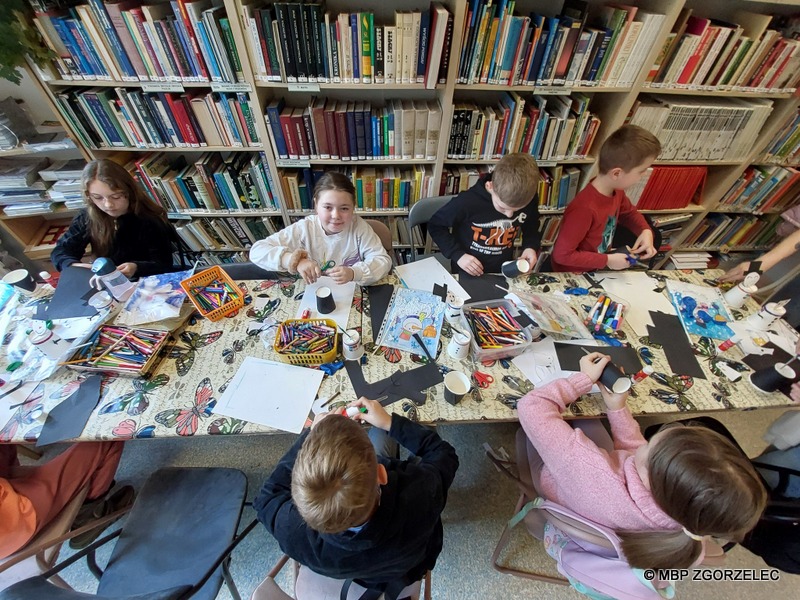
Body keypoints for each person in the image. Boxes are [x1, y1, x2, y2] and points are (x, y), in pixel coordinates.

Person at [517, 352, 767, 569]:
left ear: (649, 471)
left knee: (565, 420)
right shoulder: (684, 517)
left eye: (651, 442)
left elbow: (531, 406)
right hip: (604, 505)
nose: (645, 442)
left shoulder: (589, 466)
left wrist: (582, 380)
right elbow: (635, 457)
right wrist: (617, 409)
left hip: (562, 488)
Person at [254, 397, 459, 597]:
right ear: (381, 474)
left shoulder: (293, 532)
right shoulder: (420, 496)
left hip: (344, 569)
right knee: (383, 435)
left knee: (380, 441)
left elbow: (266, 497)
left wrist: (311, 435)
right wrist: (390, 422)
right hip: (401, 567)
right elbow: (443, 454)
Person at [249, 172, 392, 285]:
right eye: (328, 207)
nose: (335, 216)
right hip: (315, 292)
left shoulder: (359, 228)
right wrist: (295, 261)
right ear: (316, 205)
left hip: (350, 292)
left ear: (353, 207)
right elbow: (257, 251)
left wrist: (354, 273)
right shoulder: (304, 228)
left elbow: (383, 261)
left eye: (344, 208)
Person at [551, 125, 659, 272]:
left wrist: (645, 231)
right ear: (616, 174)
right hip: (572, 274)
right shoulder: (584, 209)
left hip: (596, 267)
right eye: (641, 171)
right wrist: (607, 260)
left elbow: (629, 213)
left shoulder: (616, 191)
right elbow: (562, 255)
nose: (644, 175)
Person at [51, 159, 178, 278]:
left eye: (116, 197)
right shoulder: (87, 216)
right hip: (105, 279)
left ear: (129, 192)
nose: (108, 205)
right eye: (98, 197)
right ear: (89, 196)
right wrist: (74, 266)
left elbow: (163, 264)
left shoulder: (149, 218)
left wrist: (137, 267)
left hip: (144, 281)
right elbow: (61, 252)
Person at [0, 441, 127, 558]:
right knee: (107, 437)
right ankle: (88, 515)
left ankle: (83, 490)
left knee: (5, 438)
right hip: (13, 520)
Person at [427, 153, 541, 276]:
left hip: (501, 268)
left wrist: (530, 246)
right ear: (490, 186)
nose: (509, 215)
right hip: (466, 268)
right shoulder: (467, 201)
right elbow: (436, 225)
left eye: (518, 210)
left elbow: (532, 225)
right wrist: (458, 255)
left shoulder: (527, 198)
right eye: (502, 208)